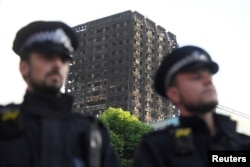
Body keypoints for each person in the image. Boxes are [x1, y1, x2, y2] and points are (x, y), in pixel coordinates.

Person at [0, 21, 120, 167]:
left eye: (63, 59)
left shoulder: (91, 132)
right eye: (47, 56)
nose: (57, 64)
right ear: (24, 67)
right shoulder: (4, 124)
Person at [132, 45, 250, 167]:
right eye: (196, 77)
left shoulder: (243, 144)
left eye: (209, 76)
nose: (208, 81)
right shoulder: (157, 148)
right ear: (174, 94)